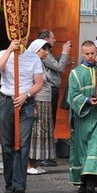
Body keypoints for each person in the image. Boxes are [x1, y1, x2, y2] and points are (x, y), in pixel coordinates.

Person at [0, 38, 45, 193]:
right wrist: (10, 50)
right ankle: (9, 183)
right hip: (6, 101)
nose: (20, 39)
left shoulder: (33, 57)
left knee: (23, 143)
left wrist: (26, 94)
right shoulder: (3, 53)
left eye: (23, 36)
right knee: (7, 144)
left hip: (26, 102)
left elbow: (39, 83)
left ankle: (19, 184)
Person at [67, 41, 97, 193]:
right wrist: (87, 101)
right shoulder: (76, 73)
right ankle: (82, 181)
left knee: (96, 146)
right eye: (87, 53)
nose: (90, 56)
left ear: (96, 52)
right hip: (83, 115)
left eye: (92, 53)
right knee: (82, 148)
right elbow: (72, 96)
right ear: (82, 54)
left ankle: (92, 181)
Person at [37, 29, 71, 166]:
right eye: (53, 37)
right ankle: (44, 156)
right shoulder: (43, 52)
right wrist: (65, 52)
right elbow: (59, 67)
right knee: (46, 123)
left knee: (50, 122)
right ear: (46, 39)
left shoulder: (47, 52)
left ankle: (47, 155)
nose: (55, 40)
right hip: (47, 91)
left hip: (51, 90)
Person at [28, 41, 54, 175]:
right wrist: (32, 104)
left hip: (45, 102)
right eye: (44, 50)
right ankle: (27, 165)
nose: (47, 52)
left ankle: (34, 163)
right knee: (34, 133)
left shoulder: (41, 63)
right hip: (37, 101)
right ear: (36, 50)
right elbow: (29, 84)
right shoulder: (31, 63)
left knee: (42, 133)